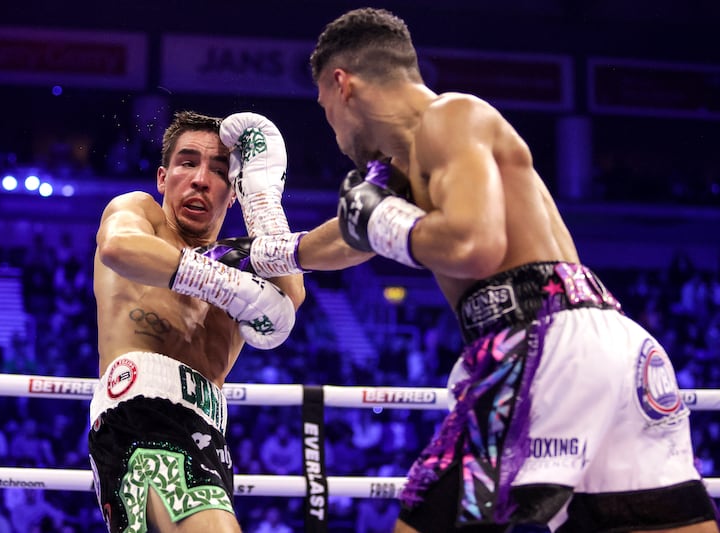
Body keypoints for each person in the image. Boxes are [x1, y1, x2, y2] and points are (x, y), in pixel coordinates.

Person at [200, 8, 720, 532]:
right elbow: (348, 238)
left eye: (325, 108)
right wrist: (257, 254)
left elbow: (474, 245)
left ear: (343, 85)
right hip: (611, 346)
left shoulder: (452, 117)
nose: (331, 130)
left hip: (537, 341)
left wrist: (378, 216)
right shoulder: (407, 161)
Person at [89, 110, 305, 532]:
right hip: (142, 413)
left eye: (220, 170)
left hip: (208, 431)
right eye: (188, 163)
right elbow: (118, 247)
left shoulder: (241, 262)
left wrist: (261, 200)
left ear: (233, 192)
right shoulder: (141, 214)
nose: (201, 179)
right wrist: (221, 281)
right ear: (162, 177)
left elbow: (291, 297)